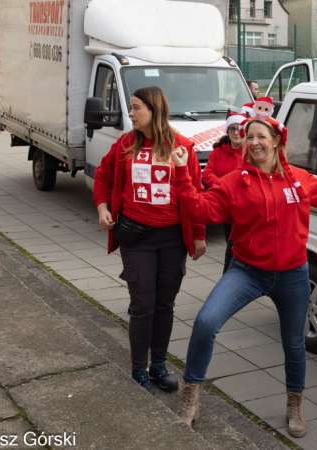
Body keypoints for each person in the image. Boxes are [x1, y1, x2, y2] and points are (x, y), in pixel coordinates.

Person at [170, 116, 317, 438]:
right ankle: (190, 397)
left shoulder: (298, 179)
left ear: (277, 140)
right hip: (248, 272)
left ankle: (295, 404)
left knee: (294, 344)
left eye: (260, 136)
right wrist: (183, 173)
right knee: (206, 322)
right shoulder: (234, 181)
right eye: (248, 136)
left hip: (294, 274)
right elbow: (199, 210)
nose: (253, 142)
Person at [93, 86, 207, 395]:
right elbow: (103, 177)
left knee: (164, 305)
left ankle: (158, 364)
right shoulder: (125, 144)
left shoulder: (182, 146)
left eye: (135, 108)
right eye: (130, 108)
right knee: (142, 304)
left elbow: (195, 193)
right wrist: (103, 208)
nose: (130, 113)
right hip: (136, 236)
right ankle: (139, 369)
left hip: (172, 239)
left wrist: (198, 234)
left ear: (154, 110)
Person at [203, 112, 247, 273]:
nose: (236, 132)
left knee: (241, 243)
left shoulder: (251, 152)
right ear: (227, 132)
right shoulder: (217, 152)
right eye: (232, 129)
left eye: (240, 129)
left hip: (246, 205)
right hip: (227, 205)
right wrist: (224, 187)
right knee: (230, 240)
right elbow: (208, 174)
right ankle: (231, 274)